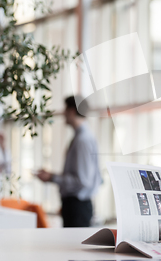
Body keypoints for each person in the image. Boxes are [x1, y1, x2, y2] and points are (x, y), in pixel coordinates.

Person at [37, 96, 102, 227]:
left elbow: (83, 181)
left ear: (72, 111)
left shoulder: (83, 140)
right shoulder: (82, 137)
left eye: (65, 109)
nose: (63, 114)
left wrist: (52, 177)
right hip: (75, 206)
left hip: (77, 207)